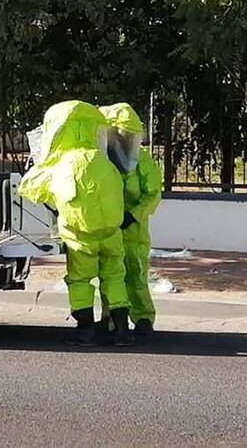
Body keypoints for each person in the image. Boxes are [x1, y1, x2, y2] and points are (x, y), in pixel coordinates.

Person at [19, 100, 134, 346]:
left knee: (80, 280)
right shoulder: (104, 161)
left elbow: (29, 190)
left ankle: (85, 331)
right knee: (114, 277)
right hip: (111, 233)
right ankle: (122, 331)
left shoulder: (60, 164)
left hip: (79, 235)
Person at [99, 102, 163, 336]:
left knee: (136, 273)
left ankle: (144, 318)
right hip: (109, 227)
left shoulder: (142, 160)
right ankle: (112, 318)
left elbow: (153, 194)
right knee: (110, 274)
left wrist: (134, 215)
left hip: (133, 229)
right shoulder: (101, 158)